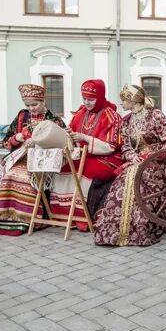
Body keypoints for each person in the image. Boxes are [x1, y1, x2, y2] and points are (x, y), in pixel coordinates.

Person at [94, 85, 166, 246]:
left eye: (124, 100)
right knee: (122, 180)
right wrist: (133, 156)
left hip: (158, 162)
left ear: (133, 100)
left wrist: (151, 155)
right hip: (137, 160)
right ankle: (116, 231)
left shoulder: (155, 115)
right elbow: (125, 146)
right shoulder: (127, 121)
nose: (121, 103)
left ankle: (141, 227)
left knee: (141, 178)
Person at [0, 84, 66, 235]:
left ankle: (26, 219)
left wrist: (40, 143)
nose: (31, 108)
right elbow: (6, 143)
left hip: (43, 161)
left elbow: (63, 144)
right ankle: (4, 217)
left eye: (35, 104)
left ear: (43, 101)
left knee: (26, 178)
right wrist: (16, 138)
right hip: (21, 157)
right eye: (28, 105)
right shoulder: (22, 117)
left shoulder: (54, 120)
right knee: (9, 175)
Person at [49, 79, 122, 229]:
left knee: (84, 171)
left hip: (107, 158)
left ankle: (81, 218)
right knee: (63, 167)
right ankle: (62, 215)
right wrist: (68, 134)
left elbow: (111, 146)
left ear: (100, 97)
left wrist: (84, 138)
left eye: (91, 99)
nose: (87, 103)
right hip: (82, 155)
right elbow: (71, 130)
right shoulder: (81, 113)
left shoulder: (110, 115)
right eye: (85, 99)